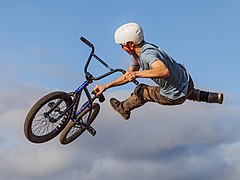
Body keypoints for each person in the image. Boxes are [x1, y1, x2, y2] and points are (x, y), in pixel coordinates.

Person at [93, 22, 223, 120]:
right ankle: (212, 97)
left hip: (174, 96)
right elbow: (128, 76)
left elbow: (163, 71)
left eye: (122, 45)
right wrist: (106, 86)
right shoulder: (139, 53)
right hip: (187, 82)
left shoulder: (146, 55)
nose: (122, 49)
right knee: (184, 91)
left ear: (131, 44)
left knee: (142, 92)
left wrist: (137, 74)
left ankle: (123, 109)